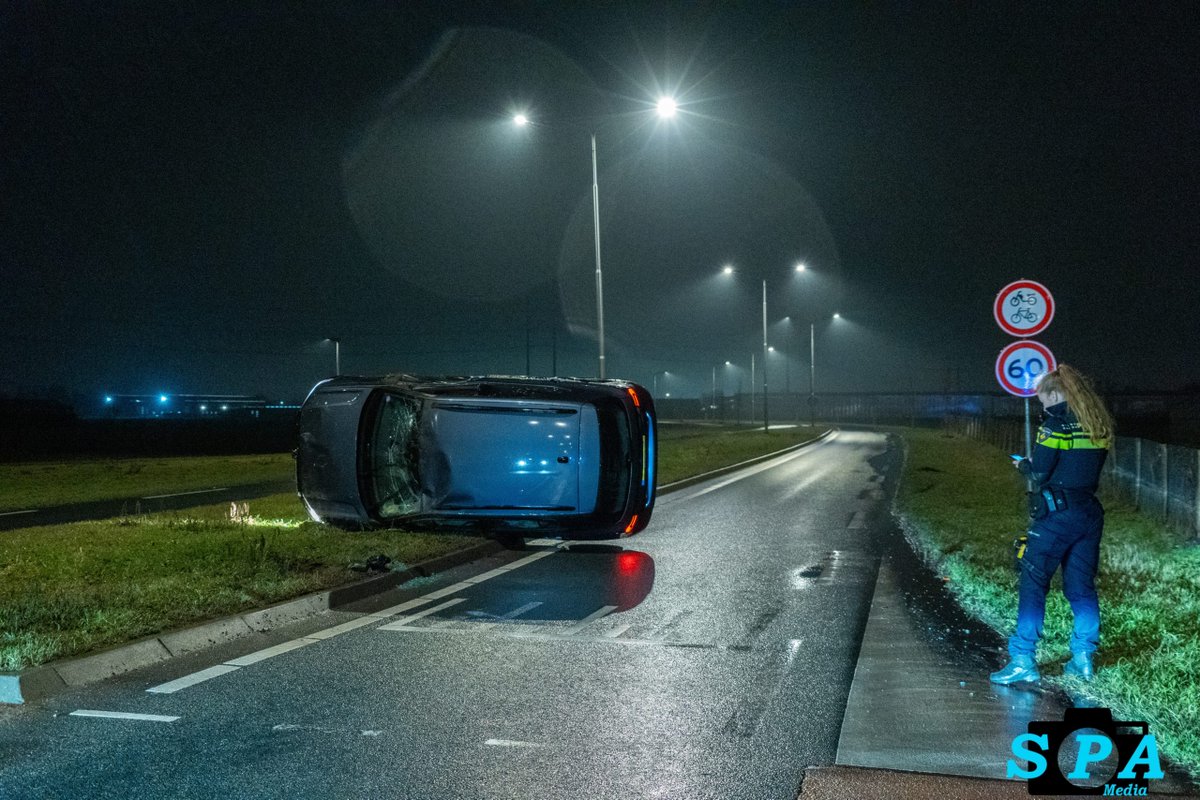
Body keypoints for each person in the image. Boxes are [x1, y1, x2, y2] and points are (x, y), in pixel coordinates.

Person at [989, 364, 1114, 685]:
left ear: (1056, 394)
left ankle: (1022, 660)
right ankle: (1083, 658)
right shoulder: (1096, 425)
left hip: (1057, 514)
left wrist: (1022, 466)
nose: (1041, 406)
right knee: (1081, 587)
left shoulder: (1056, 425)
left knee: (1033, 582)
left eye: (1043, 399)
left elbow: (1040, 470)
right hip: (1089, 512)